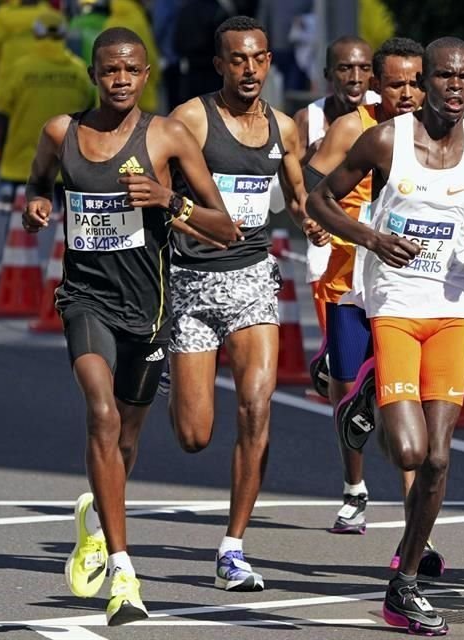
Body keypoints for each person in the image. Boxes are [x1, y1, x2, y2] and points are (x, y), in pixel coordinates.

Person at [307, 36, 464, 636]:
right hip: (395, 307)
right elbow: (318, 199)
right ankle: (364, 385)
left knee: (437, 457)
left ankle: (403, 584)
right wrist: (371, 239)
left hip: (453, 309)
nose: (454, 88)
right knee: (406, 451)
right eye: (444, 77)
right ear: (425, 80)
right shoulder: (386, 139)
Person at [22, 26, 237, 625]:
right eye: (109, 70)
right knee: (101, 413)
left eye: (131, 71)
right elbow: (38, 186)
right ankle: (123, 569)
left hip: (150, 309)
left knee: (125, 440)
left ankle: (96, 516)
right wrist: (38, 204)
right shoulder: (61, 133)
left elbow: (225, 227)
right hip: (85, 299)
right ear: (94, 74)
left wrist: (167, 200)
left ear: (146, 75)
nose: (120, 80)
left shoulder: (166, 136)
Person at [165, 15, 327, 592]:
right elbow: (157, 193)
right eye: (238, 59)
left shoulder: (284, 127)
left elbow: (301, 194)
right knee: (193, 435)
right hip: (189, 283)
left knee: (258, 408)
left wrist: (312, 222)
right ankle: (167, 364)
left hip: (253, 280)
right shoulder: (190, 119)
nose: (251, 68)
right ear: (220, 65)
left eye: (259, 58)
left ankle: (232, 548)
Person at [305, 38, 426, 538]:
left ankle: (419, 517)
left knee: (405, 400)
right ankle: (354, 488)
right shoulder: (355, 126)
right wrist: (317, 220)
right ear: (377, 84)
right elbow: (312, 184)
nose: (408, 93)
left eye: (416, 82)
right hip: (349, 277)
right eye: (396, 83)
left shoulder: (439, 133)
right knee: (349, 387)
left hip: (407, 283)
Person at [290, 35, 379, 366]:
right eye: (345, 68)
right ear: (329, 73)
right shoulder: (308, 120)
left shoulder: (384, 110)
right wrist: (308, 220)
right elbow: (295, 185)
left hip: (375, 241)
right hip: (328, 245)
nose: (355, 77)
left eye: (363, 68)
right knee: (345, 361)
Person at [0, 13, 92, 201]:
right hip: (66, 168)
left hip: (20, 168)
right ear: (64, 35)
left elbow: (1, 115)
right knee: (65, 228)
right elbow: (91, 114)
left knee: (21, 226)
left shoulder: (18, 70)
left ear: (36, 35)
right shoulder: (79, 72)